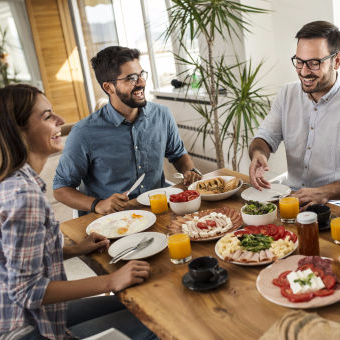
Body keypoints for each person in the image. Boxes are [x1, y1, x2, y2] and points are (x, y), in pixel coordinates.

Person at [0, 84, 157, 340]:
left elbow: (15, 259)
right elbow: (27, 291)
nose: (61, 121)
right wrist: (110, 281)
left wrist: (76, 249)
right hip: (26, 329)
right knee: (155, 321)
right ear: (19, 132)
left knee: (136, 301)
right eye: (47, 116)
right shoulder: (23, 197)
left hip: (31, 314)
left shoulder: (17, 183)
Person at [53, 46, 201, 215]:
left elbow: (178, 153)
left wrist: (189, 171)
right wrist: (98, 204)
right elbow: (61, 188)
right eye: (131, 78)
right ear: (109, 88)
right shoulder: (83, 133)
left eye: (141, 75)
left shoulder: (162, 115)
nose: (141, 83)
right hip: (113, 221)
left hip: (158, 210)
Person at [249, 20, 340, 208]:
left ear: (336, 61)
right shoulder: (287, 94)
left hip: (334, 206)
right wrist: (259, 154)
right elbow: (264, 138)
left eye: (314, 63)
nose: (304, 72)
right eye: (299, 61)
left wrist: (328, 190)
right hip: (291, 201)